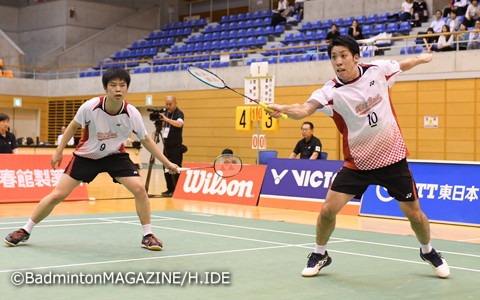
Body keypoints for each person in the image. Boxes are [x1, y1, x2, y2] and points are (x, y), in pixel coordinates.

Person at [266, 35, 450, 278]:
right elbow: (304, 109)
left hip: (392, 159)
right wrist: (285, 109)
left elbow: (401, 65)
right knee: (327, 211)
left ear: (355, 56)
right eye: (333, 57)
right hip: (358, 164)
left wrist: (421, 59)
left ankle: (428, 251)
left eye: (343, 56)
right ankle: (320, 254)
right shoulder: (330, 92)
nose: (338, 62)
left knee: (414, 214)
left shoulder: (377, 70)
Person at [4, 67, 179, 251]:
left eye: (122, 85)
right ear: (106, 88)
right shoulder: (90, 106)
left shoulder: (132, 113)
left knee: (140, 189)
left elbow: (146, 140)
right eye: (113, 85)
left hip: (114, 156)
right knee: (58, 195)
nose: (118, 89)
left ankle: (147, 235)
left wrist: (167, 163)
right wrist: (58, 151)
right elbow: (72, 127)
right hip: (86, 156)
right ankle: (25, 229)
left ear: (127, 89)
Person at [160, 95, 185, 198]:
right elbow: (166, 125)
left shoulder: (179, 113)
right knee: (166, 167)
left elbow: (179, 124)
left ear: (175, 103)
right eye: (166, 104)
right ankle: (169, 188)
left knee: (176, 168)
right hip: (167, 145)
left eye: (170, 104)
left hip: (176, 146)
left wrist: (167, 120)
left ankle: (177, 189)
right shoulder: (167, 113)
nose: (168, 106)